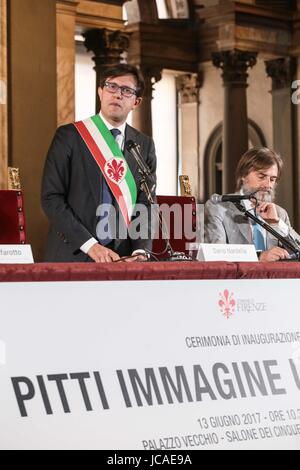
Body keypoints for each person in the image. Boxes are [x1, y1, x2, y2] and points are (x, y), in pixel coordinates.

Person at [41, 64, 157, 263]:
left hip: (123, 258)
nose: (117, 95)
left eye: (126, 90)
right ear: (100, 92)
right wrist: (90, 245)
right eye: (111, 86)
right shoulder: (70, 136)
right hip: (74, 255)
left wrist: (140, 251)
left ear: (136, 102)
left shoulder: (143, 145)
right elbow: (51, 198)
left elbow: (145, 203)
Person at [205, 147, 300, 262]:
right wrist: (258, 256)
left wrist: (277, 223)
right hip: (237, 279)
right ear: (244, 175)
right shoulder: (218, 208)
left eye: (272, 179)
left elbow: (297, 250)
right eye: (262, 177)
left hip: (275, 279)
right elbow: (214, 254)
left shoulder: (279, 213)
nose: (268, 185)